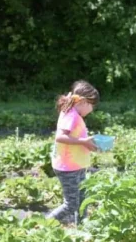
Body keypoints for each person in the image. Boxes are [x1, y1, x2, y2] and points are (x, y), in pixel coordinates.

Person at [47, 80, 99, 225]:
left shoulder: (73, 113)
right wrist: (83, 142)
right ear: (82, 101)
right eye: (91, 105)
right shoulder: (71, 115)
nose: (92, 109)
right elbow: (60, 137)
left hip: (77, 165)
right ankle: (45, 223)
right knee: (71, 204)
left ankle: (82, 229)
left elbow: (76, 137)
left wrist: (88, 143)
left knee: (83, 199)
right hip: (68, 168)